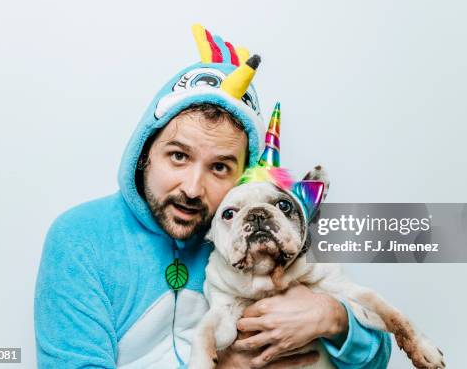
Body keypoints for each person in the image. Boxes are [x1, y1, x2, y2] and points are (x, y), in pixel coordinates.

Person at [34, 24, 392, 368]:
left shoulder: (258, 237)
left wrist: (331, 318)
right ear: (145, 153)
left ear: (243, 178)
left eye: (219, 168)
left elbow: (377, 356)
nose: (192, 189)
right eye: (178, 156)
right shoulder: (81, 238)